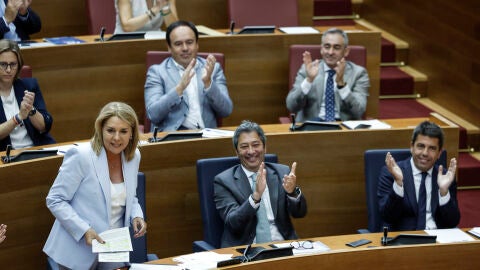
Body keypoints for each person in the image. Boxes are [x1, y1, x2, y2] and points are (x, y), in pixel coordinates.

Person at [43, 102, 147, 269]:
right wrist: (84, 230)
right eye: (111, 130)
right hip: (77, 250)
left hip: (113, 249)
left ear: (132, 133)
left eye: (124, 131)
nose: (117, 138)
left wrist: (136, 215)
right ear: (100, 130)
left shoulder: (134, 157)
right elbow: (55, 200)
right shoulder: (81, 156)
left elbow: (130, 196)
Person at [214, 120, 307, 247]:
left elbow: (299, 213)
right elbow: (233, 223)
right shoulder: (223, 181)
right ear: (236, 152)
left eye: (255, 145)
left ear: (264, 147)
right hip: (246, 249)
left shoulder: (281, 172)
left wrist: (292, 193)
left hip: (283, 245)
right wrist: (255, 197)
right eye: (244, 146)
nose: (251, 151)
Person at [144, 20, 233, 131]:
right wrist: (179, 89)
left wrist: (208, 84)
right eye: (178, 44)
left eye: (189, 42)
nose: (185, 48)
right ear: (169, 47)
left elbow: (226, 110)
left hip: (205, 136)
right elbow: (153, 114)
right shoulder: (157, 72)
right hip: (171, 138)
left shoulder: (213, 69)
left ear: (197, 44)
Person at [378, 121, 460, 231]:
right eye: (421, 146)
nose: (425, 153)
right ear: (412, 146)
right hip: (405, 240)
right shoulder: (390, 173)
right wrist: (398, 184)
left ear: (439, 153)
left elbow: (452, 222)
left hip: (438, 239)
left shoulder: (446, 177)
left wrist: (444, 192)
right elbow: (387, 217)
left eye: (432, 148)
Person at [286, 28, 370, 122]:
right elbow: (291, 106)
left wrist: (342, 85)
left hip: (343, 128)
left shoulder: (358, 73)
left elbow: (359, 111)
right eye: (327, 46)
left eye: (336, 47)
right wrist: (309, 80)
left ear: (346, 51)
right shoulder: (307, 69)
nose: (330, 52)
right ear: (321, 49)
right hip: (312, 126)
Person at [0, 39, 54, 152]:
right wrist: (18, 118)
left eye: (13, 64)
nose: (8, 70)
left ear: (19, 65)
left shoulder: (29, 86)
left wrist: (31, 110)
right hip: (7, 155)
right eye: (3, 64)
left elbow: (45, 126)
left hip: (36, 149)